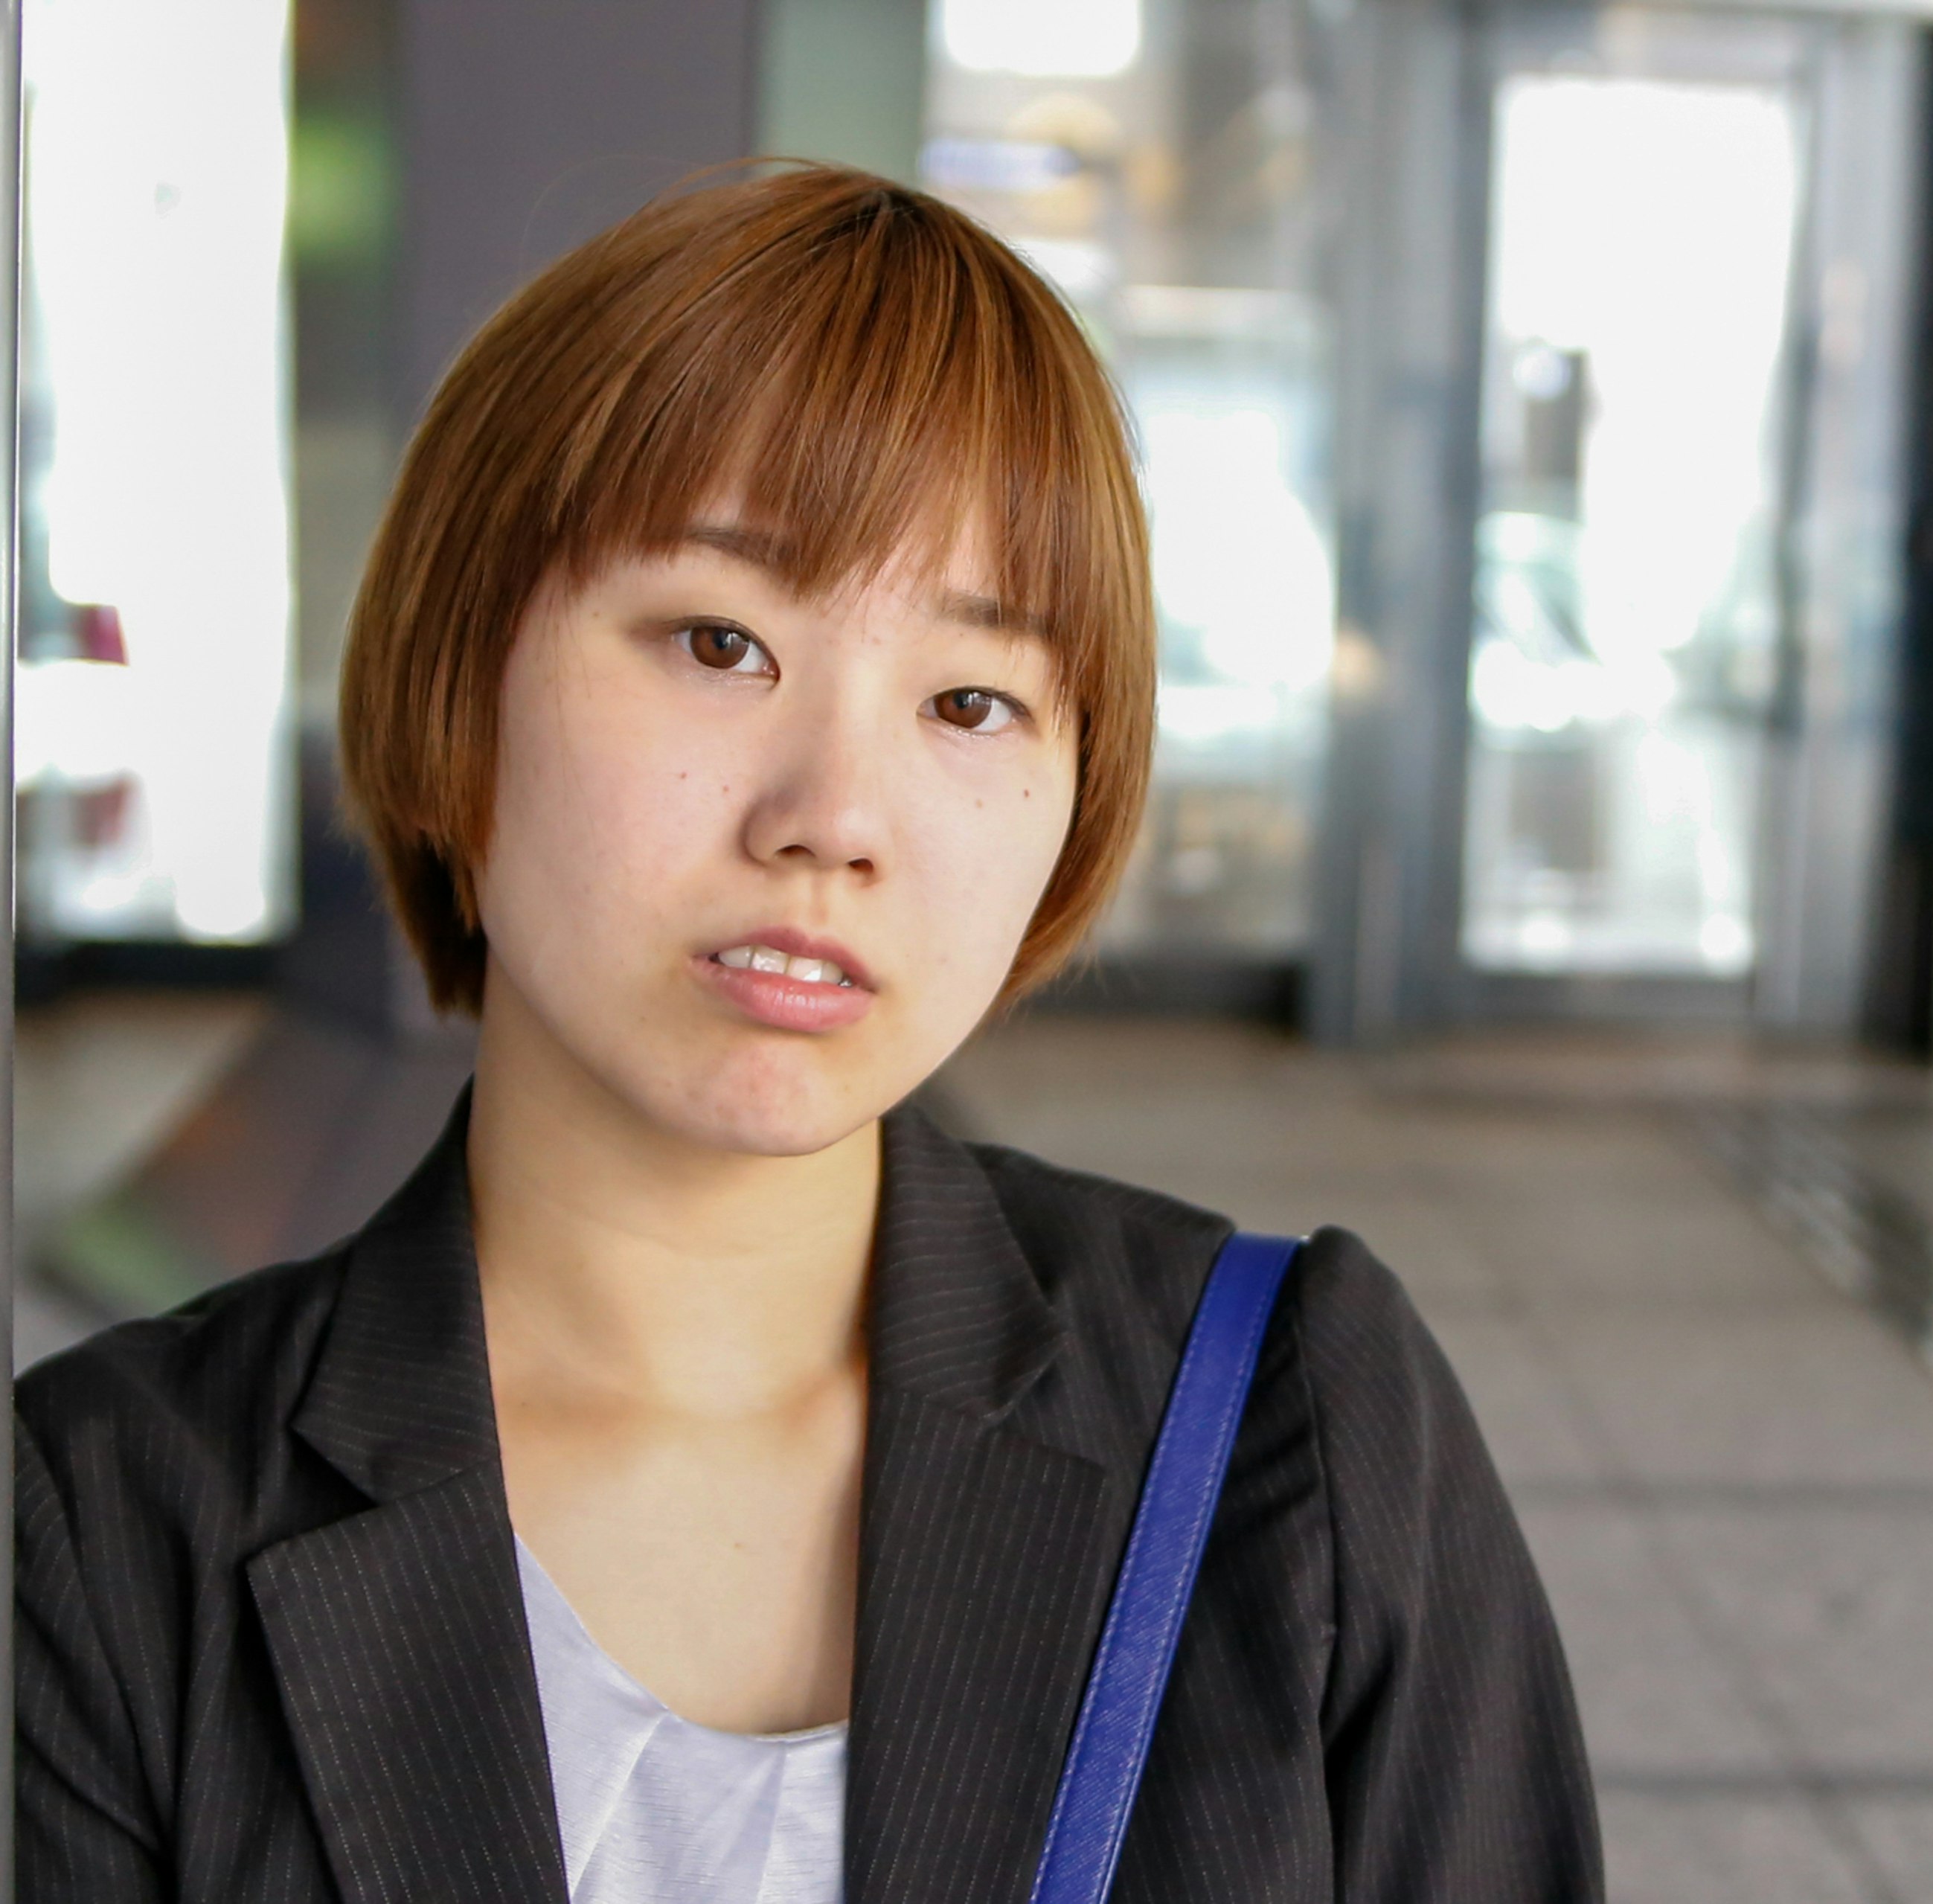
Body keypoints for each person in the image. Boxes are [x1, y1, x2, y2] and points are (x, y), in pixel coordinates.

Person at [16, 164, 1600, 1904]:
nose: (835, 814)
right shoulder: (101, 1523)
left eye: (971, 700)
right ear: (463, 687)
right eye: (719, 640)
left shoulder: (1294, 1420)